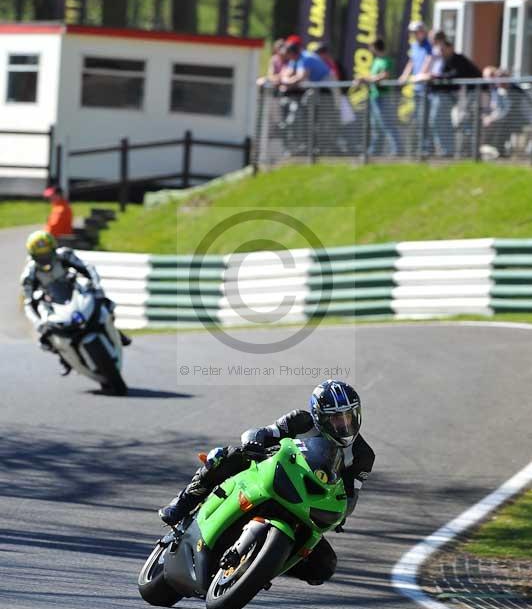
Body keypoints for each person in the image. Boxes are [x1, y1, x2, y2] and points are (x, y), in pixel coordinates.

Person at [159, 380, 375, 586]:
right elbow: (262, 432)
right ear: (319, 416)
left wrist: (341, 513)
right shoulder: (300, 421)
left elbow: (350, 495)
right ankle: (182, 503)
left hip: (307, 503)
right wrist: (254, 441)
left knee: (324, 566)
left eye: (349, 417)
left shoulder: (363, 455)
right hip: (272, 475)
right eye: (336, 419)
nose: (344, 425)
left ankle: (261, 567)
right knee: (224, 456)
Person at [21, 230, 131, 376]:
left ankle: (115, 331)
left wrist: (97, 288)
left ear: (54, 249)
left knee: (106, 303)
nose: (45, 258)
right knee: (45, 340)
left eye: (47, 254)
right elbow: (29, 303)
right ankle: (65, 358)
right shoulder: (29, 274)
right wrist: (38, 323)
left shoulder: (65, 255)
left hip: (73, 292)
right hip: (52, 303)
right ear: (33, 255)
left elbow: (88, 269)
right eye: (41, 256)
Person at [358, 38, 402, 156]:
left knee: (387, 124)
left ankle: (397, 151)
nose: (369, 49)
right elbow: (374, 76)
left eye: (371, 46)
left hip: (384, 97)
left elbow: (384, 76)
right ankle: (373, 153)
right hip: (374, 97)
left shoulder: (386, 60)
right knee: (376, 126)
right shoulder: (376, 60)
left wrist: (366, 79)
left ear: (375, 46)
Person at [399, 21, 432, 154]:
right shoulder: (414, 46)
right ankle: (420, 148)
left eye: (417, 31)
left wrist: (420, 75)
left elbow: (428, 60)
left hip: (426, 88)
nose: (415, 34)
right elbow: (411, 62)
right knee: (418, 119)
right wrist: (404, 76)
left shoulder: (428, 46)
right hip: (417, 89)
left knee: (425, 119)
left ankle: (426, 148)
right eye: (413, 32)